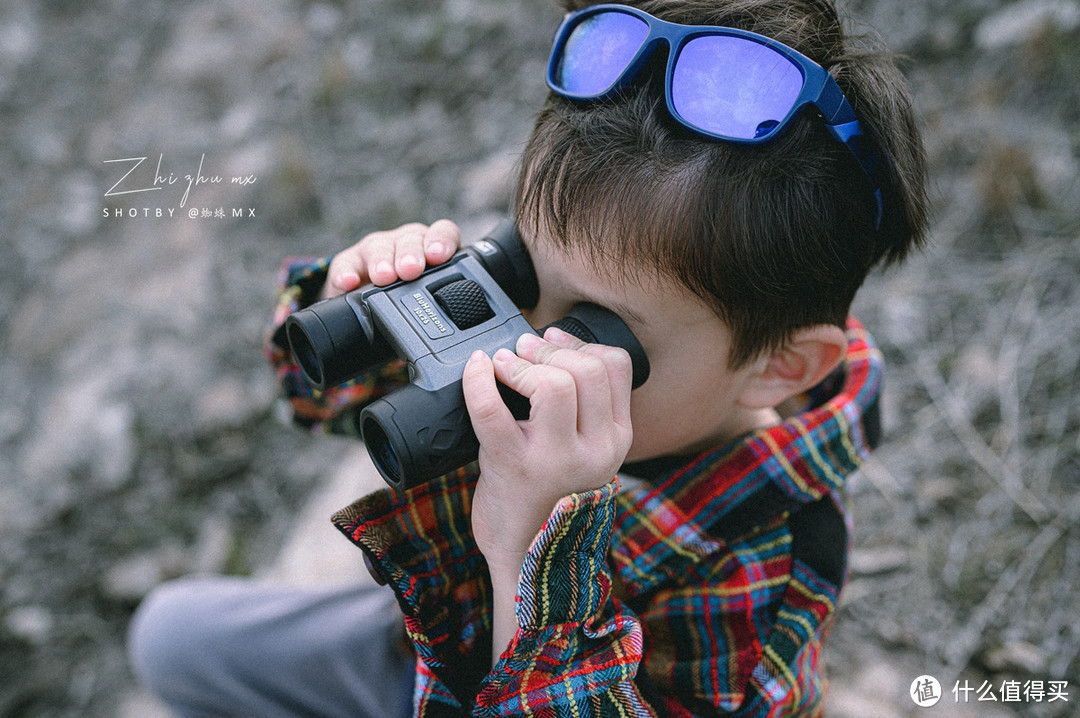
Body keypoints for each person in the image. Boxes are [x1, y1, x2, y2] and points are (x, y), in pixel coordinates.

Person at [128, 0, 927, 715]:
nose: (521, 341)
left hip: (533, 682)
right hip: (433, 636)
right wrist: (370, 307)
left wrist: (533, 546)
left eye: (594, 329)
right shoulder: (580, 303)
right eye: (518, 270)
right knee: (166, 637)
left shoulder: (765, 582)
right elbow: (316, 408)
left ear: (780, 368)